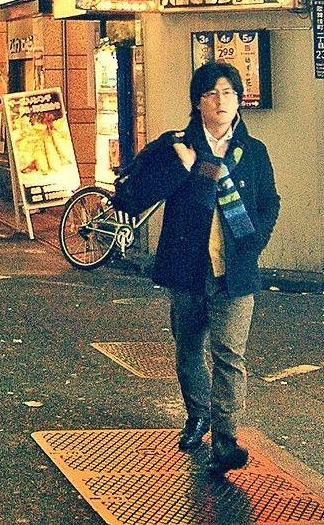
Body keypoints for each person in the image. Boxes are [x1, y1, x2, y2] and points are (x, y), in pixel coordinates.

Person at [114, 61, 281, 476]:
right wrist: (182, 166)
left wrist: (255, 242)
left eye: (228, 92)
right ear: (198, 102)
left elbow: (270, 202)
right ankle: (198, 415)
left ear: (239, 100)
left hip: (235, 272)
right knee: (188, 347)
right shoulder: (175, 147)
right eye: (211, 94)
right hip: (188, 268)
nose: (220, 101)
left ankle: (226, 440)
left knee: (229, 355)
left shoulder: (253, 152)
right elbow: (134, 197)